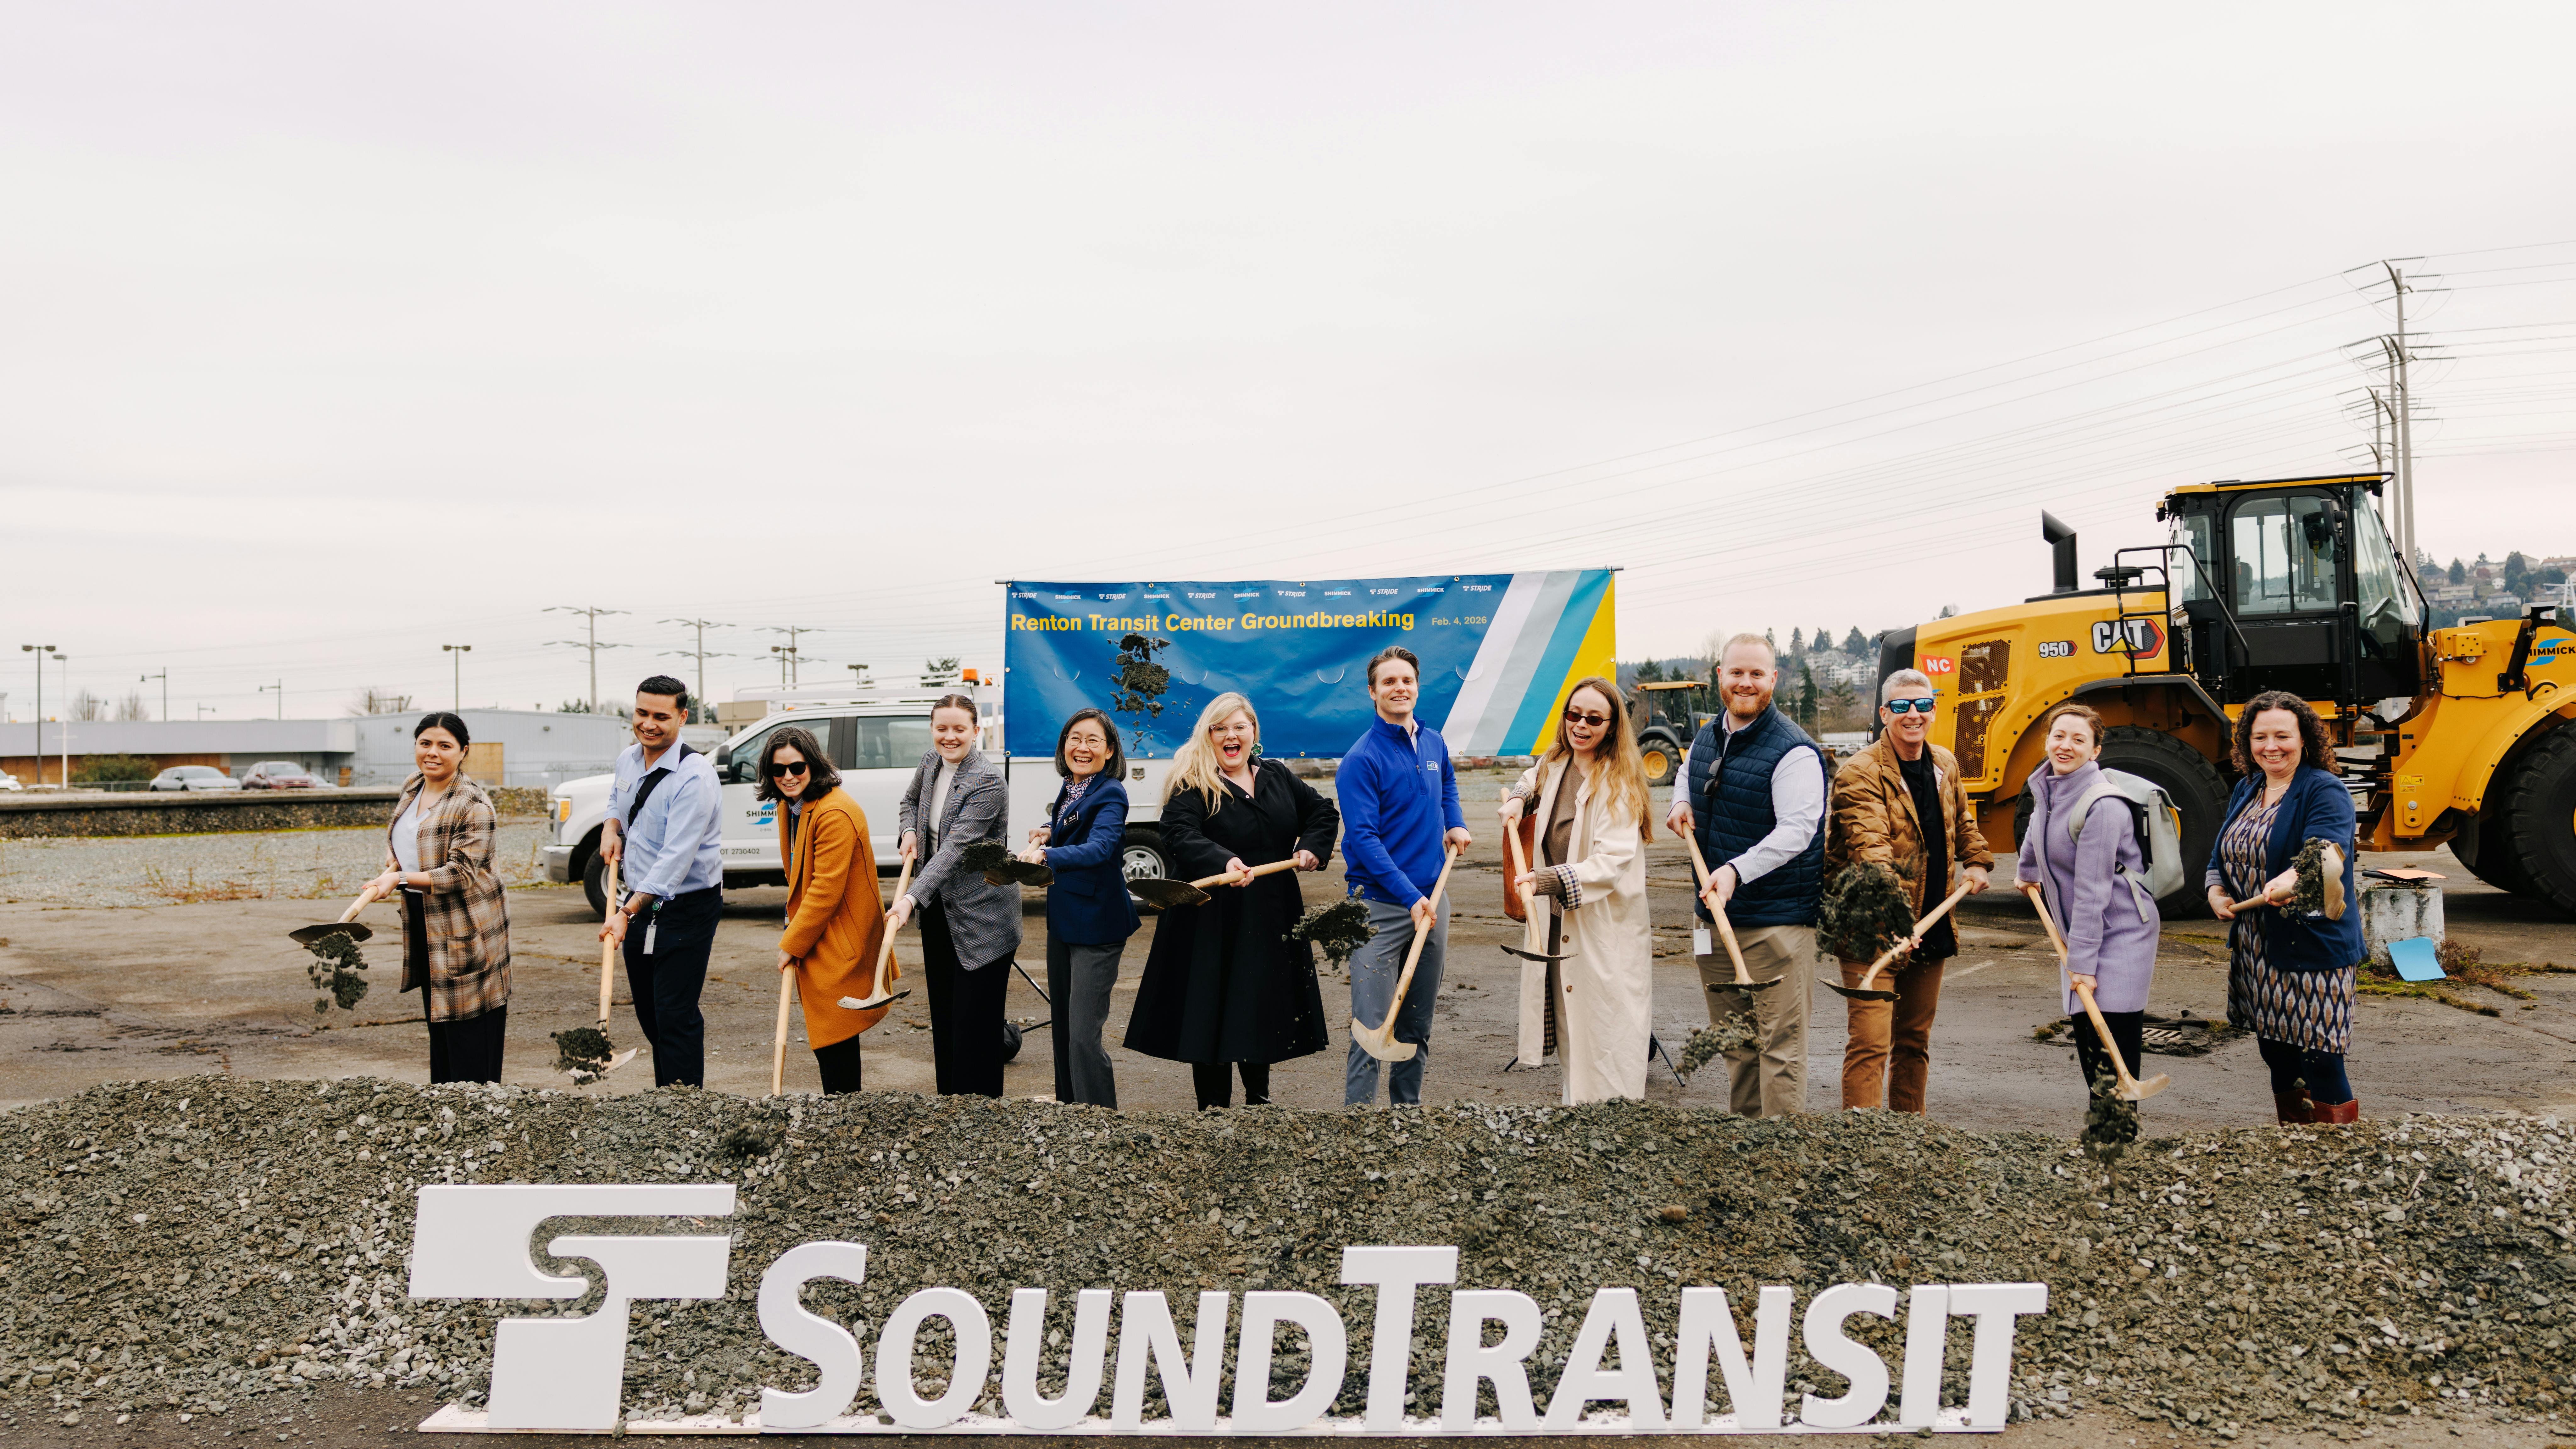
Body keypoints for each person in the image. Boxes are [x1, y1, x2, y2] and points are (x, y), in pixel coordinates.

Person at [1125, 693, 1339, 1109]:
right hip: (1210, 918)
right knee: (1212, 1009)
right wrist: (1225, 860)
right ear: (1209, 736)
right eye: (1220, 728)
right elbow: (1180, 834)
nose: (1231, 735)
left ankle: (1259, 1103)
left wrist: (1312, 847)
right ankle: (1213, 1110)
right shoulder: (1193, 783)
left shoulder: (1277, 776)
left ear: (1254, 732)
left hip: (1271, 912)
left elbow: (1323, 812)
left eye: (1239, 727)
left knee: (1259, 1005)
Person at [1664, 634, 1826, 1118]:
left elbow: (1798, 830)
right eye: (1737, 673)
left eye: (1757, 674)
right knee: (1737, 1045)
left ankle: (1778, 1154)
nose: (1746, 683)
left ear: (1773, 679)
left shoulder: (1794, 751)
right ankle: (1746, 1144)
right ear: (1721, 676)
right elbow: (1687, 773)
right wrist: (1680, 803)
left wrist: (1737, 870)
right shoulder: (1710, 735)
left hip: (1775, 925)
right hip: (1715, 925)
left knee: (1779, 1049)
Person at [1824, 667, 1993, 1113]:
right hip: (1872, 928)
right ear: (1884, 713)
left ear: (1935, 710)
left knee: (1914, 1041)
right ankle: (1861, 1146)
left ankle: (1907, 1140)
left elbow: (1963, 823)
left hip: (1931, 921)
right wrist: (1897, 922)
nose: (1912, 714)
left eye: (1922, 705)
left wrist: (1976, 861)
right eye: (1901, 706)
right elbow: (1872, 853)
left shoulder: (1945, 764)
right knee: (1871, 1043)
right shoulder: (1859, 774)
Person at [2206, 691, 2364, 1125]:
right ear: (2247, 743)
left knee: (2321, 1056)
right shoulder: (2248, 787)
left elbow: (2327, 851)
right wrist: (2216, 890)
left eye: (2282, 736)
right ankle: (2296, 1146)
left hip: (2312, 946)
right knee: (2277, 1052)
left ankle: (2339, 1150)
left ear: (2306, 739)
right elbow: (2220, 856)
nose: (2271, 747)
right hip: (2261, 947)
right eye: (2260, 737)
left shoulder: (2324, 790)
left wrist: (2294, 877)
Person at [1499, 676, 1655, 1104]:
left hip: (1603, 931)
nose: (1580, 725)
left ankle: (1609, 1133)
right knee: (1571, 1034)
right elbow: (1535, 775)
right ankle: (1577, 1126)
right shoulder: (1558, 763)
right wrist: (1518, 798)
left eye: (1593, 719)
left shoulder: (1618, 786)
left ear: (1612, 727)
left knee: (1604, 1036)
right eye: (1573, 715)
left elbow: (1610, 864)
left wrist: (1544, 881)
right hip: (1557, 923)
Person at [1338, 646, 1471, 1107]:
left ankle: (1406, 1116)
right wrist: (1408, 896)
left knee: (1417, 1022)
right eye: (1390, 682)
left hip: (1433, 900)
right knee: (1371, 1025)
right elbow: (1365, 840)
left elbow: (1448, 784)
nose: (1400, 688)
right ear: (1373, 691)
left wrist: (1455, 821)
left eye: (1407, 680)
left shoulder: (1433, 742)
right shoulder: (1361, 759)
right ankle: (1359, 1123)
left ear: (1417, 686)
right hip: (1378, 905)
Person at [2013, 703, 2160, 1099]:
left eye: (2079, 740)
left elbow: (2092, 892)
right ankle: (2104, 1149)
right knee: (2092, 1057)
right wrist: (2026, 871)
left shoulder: (2103, 806)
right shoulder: (2048, 786)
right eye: (2058, 736)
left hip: (2120, 934)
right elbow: (2038, 826)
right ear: (2046, 741)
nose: (2065, 746)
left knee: (2111, 1061)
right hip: (2086, 936)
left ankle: (2117, 1148)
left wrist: (2082, 964)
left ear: (2095, 751)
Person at [368, 712, 511, 1084]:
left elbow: (460, 873)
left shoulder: (473, 804)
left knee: (469, 1027)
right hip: (424, 917)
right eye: (425, 744)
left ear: (463, 752)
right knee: (440, 1021)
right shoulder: (414, 786)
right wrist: (393, 868)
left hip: (466, 925)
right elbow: (408, 843)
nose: (433, 753)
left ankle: (479, 1117)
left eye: (445, 746)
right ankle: (444, 1115)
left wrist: (398, 879)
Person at [598, 677, 725, 1089]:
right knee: (651, 1012)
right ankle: (666, 1099)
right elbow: (618, 801)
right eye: (642, 714)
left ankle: (685, 1110)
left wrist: (625, 912)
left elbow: (674, 862)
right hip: (642, 902)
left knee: (675, 1012)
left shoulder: (695, 778)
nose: (649, 724)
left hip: (686, 904)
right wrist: (611, 826)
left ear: (682, 717)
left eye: (661, 717)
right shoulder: (627, 760)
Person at [893, 692, 1021, 1097]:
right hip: (939, 914)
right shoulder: (930, 763)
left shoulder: (986, 781)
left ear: (975, 731)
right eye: (942, 729)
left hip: (983, 919)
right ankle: (949, 1109)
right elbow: (909, 801)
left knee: (976, 1028)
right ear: (933, 730)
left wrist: (910, 898)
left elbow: (957, 848)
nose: (950, 737)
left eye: (959, 729)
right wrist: (908, 831)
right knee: (946, 1019)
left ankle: (982, 1118)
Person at [762, 725, 892, 1094]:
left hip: (842, 940)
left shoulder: (835, 812)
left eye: (797, 767)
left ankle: (845, 1112)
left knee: (836, 1030)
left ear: (814, 765)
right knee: (831, 1033)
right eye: (778, 770)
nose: (788, 776)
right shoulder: (790, 807)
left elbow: (825, 890)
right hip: (821, 933)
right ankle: (841, 1109)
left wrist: (792, 943)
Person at [1021, 708, 1140, 1108]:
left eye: (1092, 740)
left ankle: (1100, 1120)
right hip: (1066, 921)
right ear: (1063, 746)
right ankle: (1071, 1110)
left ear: (1109, 751)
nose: (1082, 747)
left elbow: (1102, 846)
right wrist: (1050, 828)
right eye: (1075, 738)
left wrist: (1047, 854)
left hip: (1098, 926)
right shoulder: (1072, 788)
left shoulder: (1111, 792)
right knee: (1064, 1029)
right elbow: (1078, 823)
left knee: (1082, 1036)